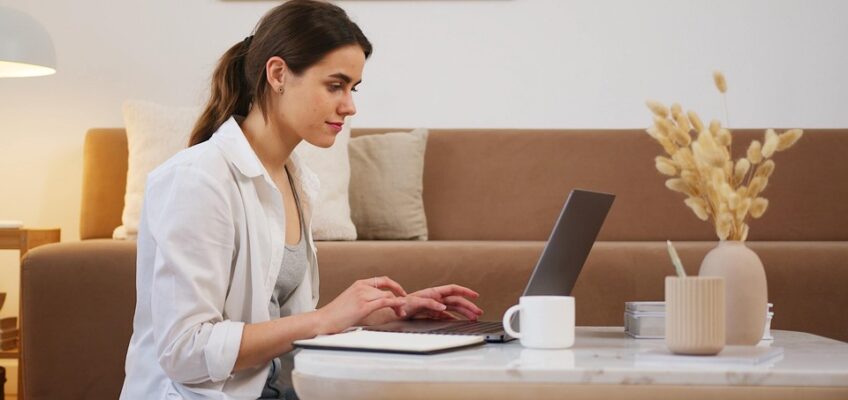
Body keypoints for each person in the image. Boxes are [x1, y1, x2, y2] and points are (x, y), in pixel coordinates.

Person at [119, 1, 483, 399]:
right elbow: (184, 351)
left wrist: (386, 311)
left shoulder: (295, 181)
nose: (350, 106)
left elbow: (281, 323)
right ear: (278, 74)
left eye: (353, 88)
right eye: (335, 85)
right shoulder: (198, 180)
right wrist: (326, 318)